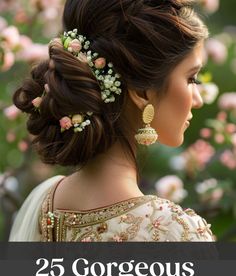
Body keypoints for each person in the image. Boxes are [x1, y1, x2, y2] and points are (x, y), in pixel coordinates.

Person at [9, 0, 215, 242]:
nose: (198, 99)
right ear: (142, 92)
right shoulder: (175, 232)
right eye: (191, 79)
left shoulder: (43, 203)